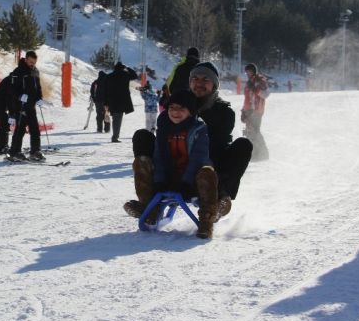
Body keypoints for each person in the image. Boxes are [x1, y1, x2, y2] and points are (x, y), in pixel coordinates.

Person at [124, 90, 218, 238]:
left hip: (192, 179)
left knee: (207, 171)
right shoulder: (164, 127)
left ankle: (207, 220)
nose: (175, 112)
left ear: (191, 111)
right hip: (170, 175)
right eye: (172, 108)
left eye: (181, 108)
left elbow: (198, 158)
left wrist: (186, 183)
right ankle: (150, 208)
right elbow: (159, 156)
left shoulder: (199, 129)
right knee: (142, 162)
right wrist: (160, 181)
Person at [189, 62, 252, 217]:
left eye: (205, 80)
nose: (199, 84)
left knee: (243, 145)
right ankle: (148, 200)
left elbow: (217, 144)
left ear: (214, 85)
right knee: (144, 136)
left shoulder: (224, 111)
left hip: (213, 165)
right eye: (195, 79)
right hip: (181, 161)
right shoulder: (180, 106)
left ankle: (221, 197)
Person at [6, 51, 45, 162]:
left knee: (35, 129)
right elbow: (11, 88)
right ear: (26, 59)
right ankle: (14, 152)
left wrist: (39, 98)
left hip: (31, 105)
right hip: (20, 105)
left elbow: (38, 87)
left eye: (34, 62)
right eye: (31, 62)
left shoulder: (35, 71)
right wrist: (19, 96)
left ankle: (35, 151)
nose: (33, 64)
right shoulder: (18, 71)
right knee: (20, 130)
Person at [241, 63, 270, 161]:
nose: (248, 73)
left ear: (254, 71)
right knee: (249, 132)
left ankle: (263, 154)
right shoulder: (249, 82)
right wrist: (243, 111)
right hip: (249, 110)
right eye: (247, 72)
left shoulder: (260, 80)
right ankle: (254, 154)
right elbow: (247, 98)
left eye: (250, 71)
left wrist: (255, 89)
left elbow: (266, 94)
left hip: (257, 110)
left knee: (255, 131)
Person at [105, 61, 138, 142]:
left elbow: (106, 90)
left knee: (116, 118)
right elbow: (135, 76)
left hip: (112, 100)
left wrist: (106, 102)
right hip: (123, 101)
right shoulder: (125, 75)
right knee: (118, 119)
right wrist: (128, 68)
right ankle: (115, 137)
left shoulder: (109, 76)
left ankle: (115, 136)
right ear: (122, 67)